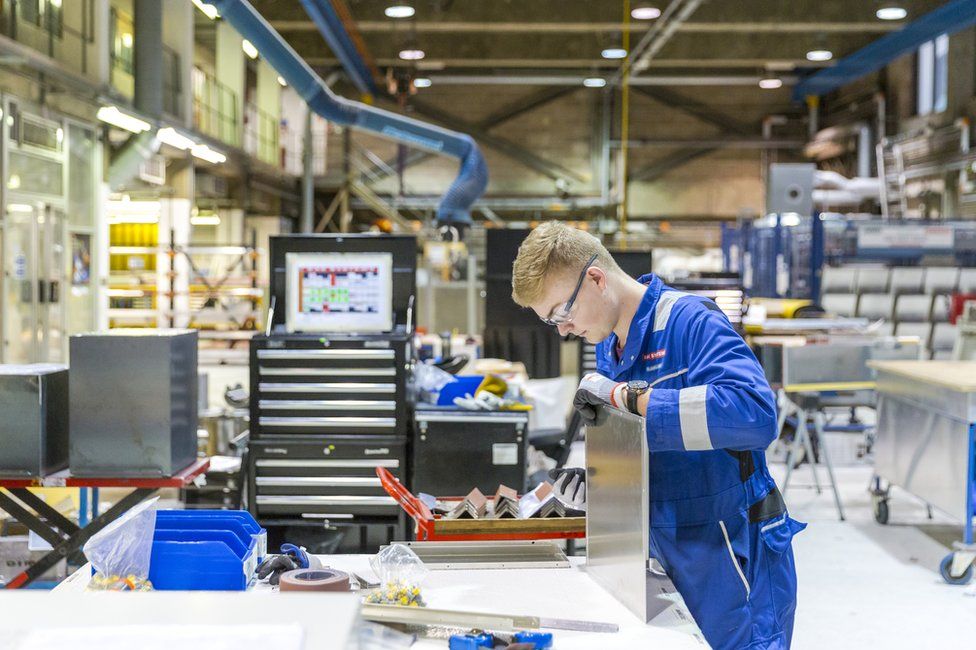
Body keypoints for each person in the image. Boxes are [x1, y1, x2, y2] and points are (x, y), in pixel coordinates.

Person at [511, 222, 805, 650]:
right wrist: (602, 480)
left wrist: (628, 397)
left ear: (595, 278)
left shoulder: (689, 322)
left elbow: (756, 414)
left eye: (562, 312)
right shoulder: (610, 347)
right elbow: (650, 445)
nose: (562, 329)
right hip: (660, 553)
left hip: (730, 554)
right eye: (550, 321)